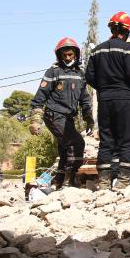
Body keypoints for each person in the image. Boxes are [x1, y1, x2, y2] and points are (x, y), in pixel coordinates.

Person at [85, 12, 130, 189]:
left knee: (106, 141)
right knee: (128, 140)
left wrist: (104, 88)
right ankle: (122, 181)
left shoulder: (97, 50)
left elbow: (89, 76)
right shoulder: (128, 48)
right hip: (126, 100)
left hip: (105, 100)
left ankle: (103, 182)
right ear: (127, 31)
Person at [29, 37, 94, 189]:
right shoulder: (53, 72)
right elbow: (40, 96)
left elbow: (84, 98)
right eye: (64, 55)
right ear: (59, 55)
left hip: (68, 117)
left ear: (76, 55)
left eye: (70, 55)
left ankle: (59, 180)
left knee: (65, 147)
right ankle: (69, 180)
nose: (67, 58)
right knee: (76, 143)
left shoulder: (80, 73)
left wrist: (88, 117)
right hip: (54, 115)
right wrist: (35, 120)